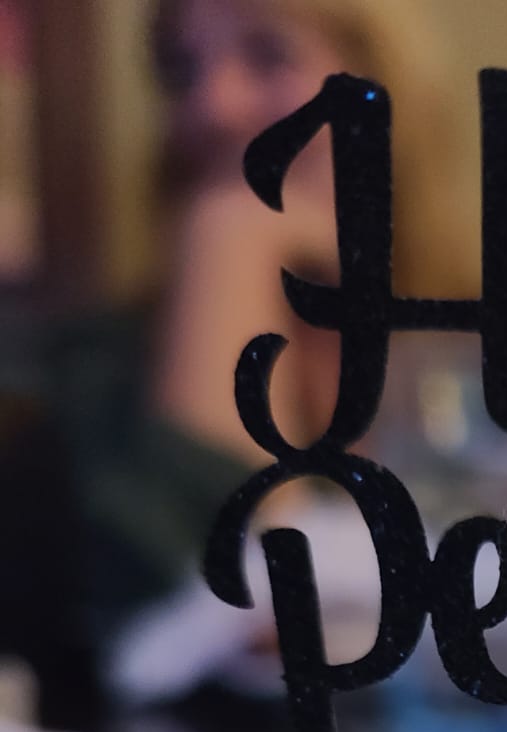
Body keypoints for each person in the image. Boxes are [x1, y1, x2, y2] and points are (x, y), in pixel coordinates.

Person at [6, 0, 472, 686]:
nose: (210, 106)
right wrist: (230, 242)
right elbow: (176, 633)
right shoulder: (80, 378)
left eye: (268, 55)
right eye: (181, 70)